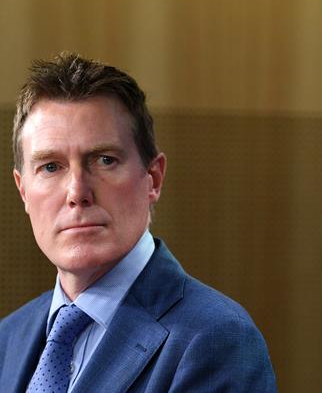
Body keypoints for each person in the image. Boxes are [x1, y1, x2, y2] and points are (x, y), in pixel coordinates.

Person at [0, 53, 277, 392]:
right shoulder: (7, 339)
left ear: (153, 178)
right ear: (23, 190)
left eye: (104, 160)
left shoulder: (217, 339)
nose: (77, 192)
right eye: (51, 167)